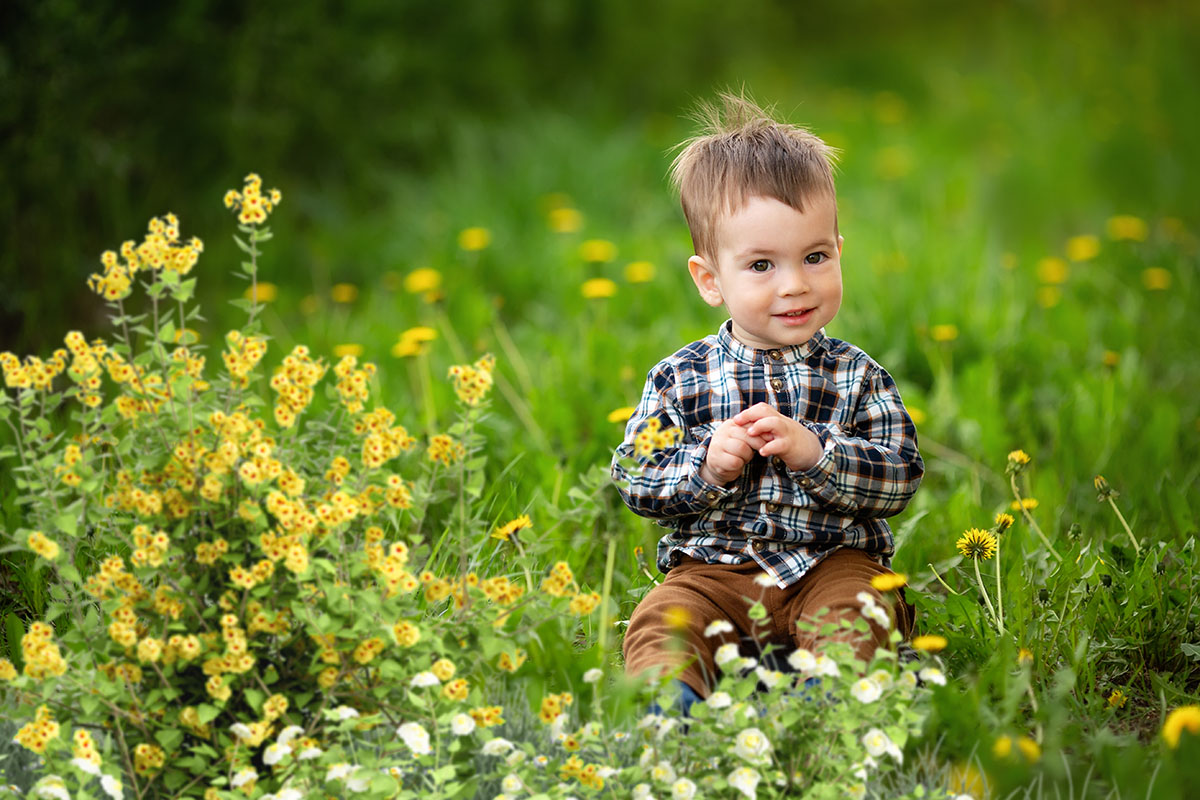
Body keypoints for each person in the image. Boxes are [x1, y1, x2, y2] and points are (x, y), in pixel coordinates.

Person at [612, 93, 923, 712]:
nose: (794, 284)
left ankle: (827, 706)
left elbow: (901, 476)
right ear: (710, 279)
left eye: (815, 257)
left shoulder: (856, 375)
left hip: (832, 563)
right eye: (761, 264)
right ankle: (668, 712)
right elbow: (636, 477)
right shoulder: (680, 379)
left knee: (859, 614)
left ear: (839, 249)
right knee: (664, 618)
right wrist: (706, 466)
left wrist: (819, 455)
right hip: (713, 573)